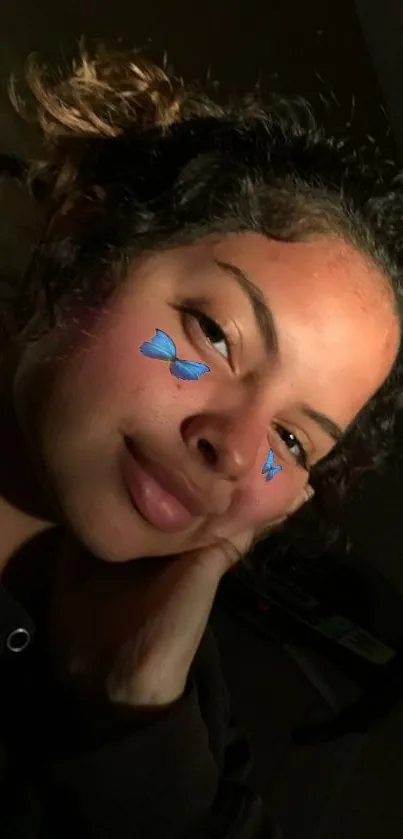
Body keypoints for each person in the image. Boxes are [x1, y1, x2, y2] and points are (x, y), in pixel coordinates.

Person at [0, 45, 402, 839]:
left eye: (291, 439)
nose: (233, 444)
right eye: (216, 334)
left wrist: (130, 714)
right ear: (88, 235)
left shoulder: (184, 716)